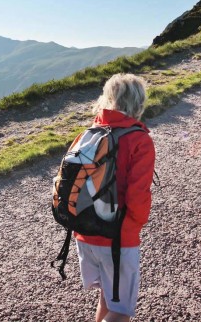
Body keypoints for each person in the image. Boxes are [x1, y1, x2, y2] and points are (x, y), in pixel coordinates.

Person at [75, 73, 156, 322]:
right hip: (119, 238)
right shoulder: (139, 141)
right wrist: (136, 226)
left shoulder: (88, 135)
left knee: (109, 298)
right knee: (121, 311)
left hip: (85, 233)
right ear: (138, 103)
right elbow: (138, 197)